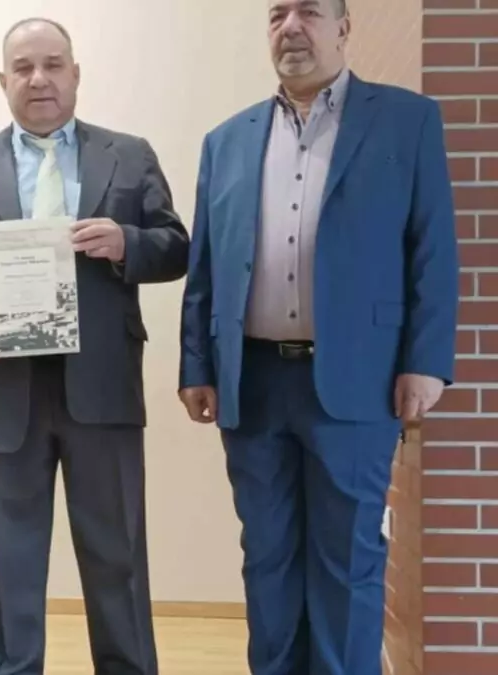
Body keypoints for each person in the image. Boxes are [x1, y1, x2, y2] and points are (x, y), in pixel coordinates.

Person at [178, 1, 458, 673]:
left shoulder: (407, 121)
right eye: (277, 14)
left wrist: (425, 360)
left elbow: (433, 249)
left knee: (347, 559)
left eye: (309, 11)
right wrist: (196, 364)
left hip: (358, 379)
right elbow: (206, 264)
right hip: (252, 383)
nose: (291, 27)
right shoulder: (227, 140)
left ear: (343, 28)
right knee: (267, 556)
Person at [0, 17, 189, 675]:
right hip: (2, 385)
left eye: (53, 64)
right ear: (3, 80)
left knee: (118, 556)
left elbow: (175, 245)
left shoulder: (129, 155)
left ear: (75, 73)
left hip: (102, 386)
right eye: (24, 67)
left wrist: (127, 243)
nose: (39, 79)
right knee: (9, 560)